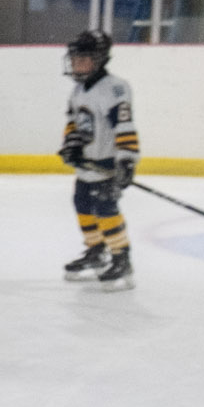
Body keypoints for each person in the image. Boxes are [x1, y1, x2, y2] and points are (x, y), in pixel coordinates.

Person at [59, 30, 137, 289]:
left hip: (106, 165)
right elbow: (73, 122)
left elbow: (124, 127)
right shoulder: (78, 90)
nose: (77, 65)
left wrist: (126, 161)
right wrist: (71, 144)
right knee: (81, 204)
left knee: (106, 210)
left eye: (84, 59)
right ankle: (96, 251)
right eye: (75, 59)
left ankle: (121, 257)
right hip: (86, 167)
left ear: (100, 59)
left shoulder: (114, 89)